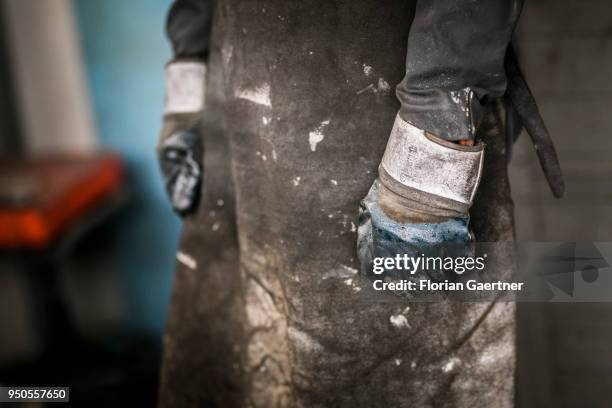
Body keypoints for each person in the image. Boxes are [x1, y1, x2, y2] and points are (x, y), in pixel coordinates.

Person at [156, 1, 563, 407]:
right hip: (234, 109)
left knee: (400, 368)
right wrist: (186, 91)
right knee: (251, 356)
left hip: (385, 108)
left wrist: (437, 123)